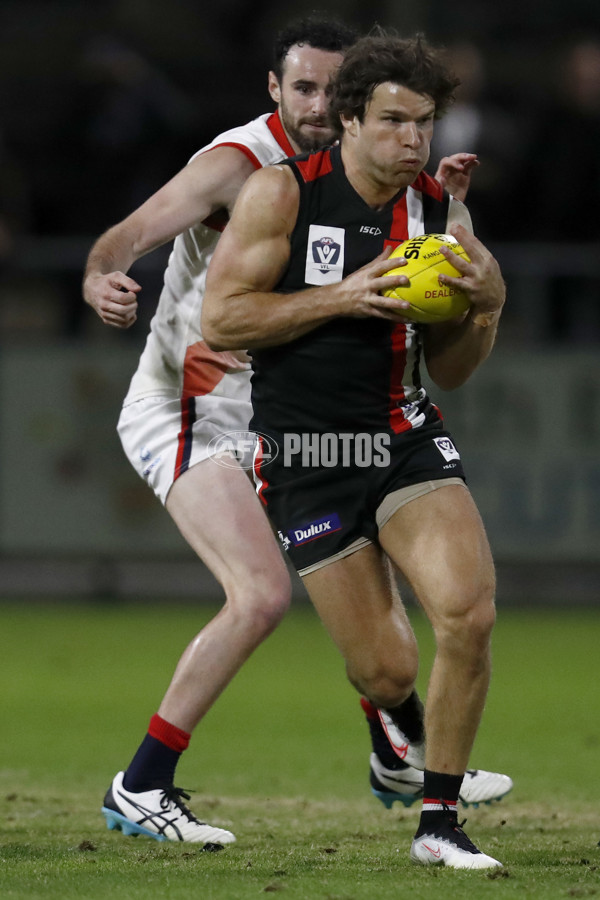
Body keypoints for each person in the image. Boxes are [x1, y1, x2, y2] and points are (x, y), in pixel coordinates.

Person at [83, 17, 509, 848]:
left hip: (300, 418)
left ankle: (404, 750)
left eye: (331, 86)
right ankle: (142, 782)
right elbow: (143, 230)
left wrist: (479, 293)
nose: (318, 103)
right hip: (192, 406)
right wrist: (104, 270)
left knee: (405, 626)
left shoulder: (413, 198)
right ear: (277, 91)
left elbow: (451, 353)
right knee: (262, 594)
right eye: (303, 88)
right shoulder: (249, 169)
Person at [202, 32, 507, 870]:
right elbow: (222, 320)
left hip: (403, 436)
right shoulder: (281, 195)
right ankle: (388, 725)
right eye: (394, 121)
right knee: (384, 669)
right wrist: (340, 296)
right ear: (348, 121)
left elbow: (452, 369)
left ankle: (439, 823)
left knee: (468, 611)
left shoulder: (442, 215)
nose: (413, 140)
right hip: (306, 453)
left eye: (425, 123)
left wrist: (485, 309)